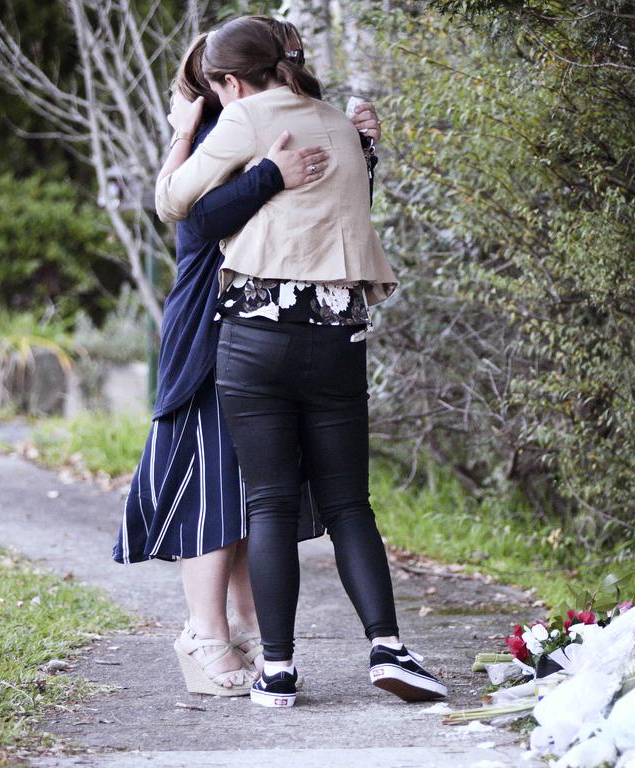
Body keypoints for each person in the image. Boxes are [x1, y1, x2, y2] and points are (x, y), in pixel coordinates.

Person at [155, 15, 446, 708]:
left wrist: (183, 132)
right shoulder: (342, 125)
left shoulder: (248, 116)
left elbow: (175, 204)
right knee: (349, 504)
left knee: (270, 505)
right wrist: (363, 149)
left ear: (230, 80)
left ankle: (277, 669)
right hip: (340, 338)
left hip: (256, 340)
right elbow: (348, 212)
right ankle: (388, 646)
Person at [115, 27, 382, 698]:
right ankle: (204, 633)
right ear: (222, 82)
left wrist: (361, 152)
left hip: (267, 325)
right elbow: (194, 222)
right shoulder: (225, 126)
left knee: (250, 487)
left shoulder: (284, 119)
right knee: (211, 485)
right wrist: (267, 174)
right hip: (214, 321)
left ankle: (240, 630)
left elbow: (325, 227)